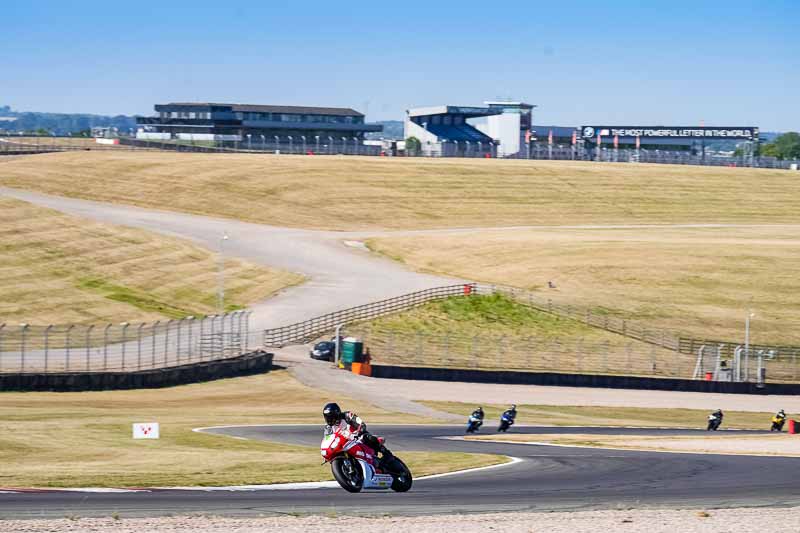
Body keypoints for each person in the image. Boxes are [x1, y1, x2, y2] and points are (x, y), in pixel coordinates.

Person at [322, 402, 388, 457]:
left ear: (337, 414)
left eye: (331, 417)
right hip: (344, 445)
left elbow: (361, 424)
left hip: (358, 438)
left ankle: (386, 453)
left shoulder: (347, 416)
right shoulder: (328, 428)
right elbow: (328, 440)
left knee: (367, 437)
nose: (329, 420)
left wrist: (358, 432)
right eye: (327, 417)